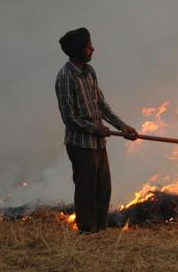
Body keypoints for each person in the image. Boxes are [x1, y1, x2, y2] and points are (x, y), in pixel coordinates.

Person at [55, 27, 138, 233]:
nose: (93, 49)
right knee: (86, 192)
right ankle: (87, 233)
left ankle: (100, 231)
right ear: (79, 50)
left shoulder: (89, 72)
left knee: (103, 189)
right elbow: (69, 118)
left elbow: (101, 105)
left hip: (98, 143)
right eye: (89, 46)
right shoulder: (66, 77)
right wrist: (95, 129)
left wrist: (123, 126)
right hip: (80, 145)